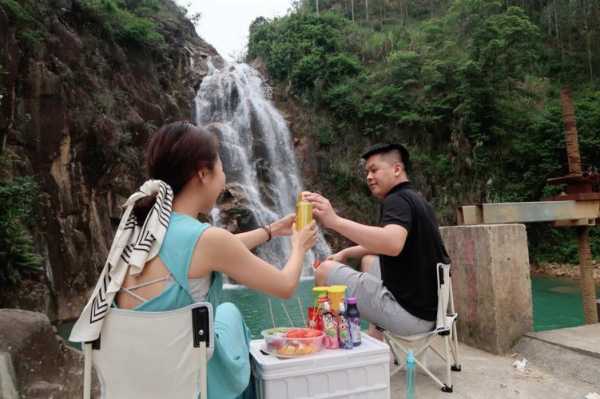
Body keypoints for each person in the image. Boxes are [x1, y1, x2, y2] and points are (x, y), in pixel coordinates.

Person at [116, 121, 318, 398]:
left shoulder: (138, 230)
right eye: (221, 168)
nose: (224, 178)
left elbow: (206, 251)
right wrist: (299, 246)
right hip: (188, 381)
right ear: (203, 173)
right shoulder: (206, 240)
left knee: (224, 317)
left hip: (139, 378)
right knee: (230, 315)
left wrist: (270, 232)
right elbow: (285, 286)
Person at [304, 143, 449, 340]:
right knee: (370, 260)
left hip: (408, 318)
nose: (369, 177)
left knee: (324, 270)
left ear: (397, 169)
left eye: (374, 170)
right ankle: (376, 339)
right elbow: (390, 241)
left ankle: (330, 341)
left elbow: (392, 243)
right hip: (432, 315)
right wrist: (346, 253)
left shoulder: (396, 200)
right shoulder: (416, 199)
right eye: (367, 172)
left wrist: (335, 221)